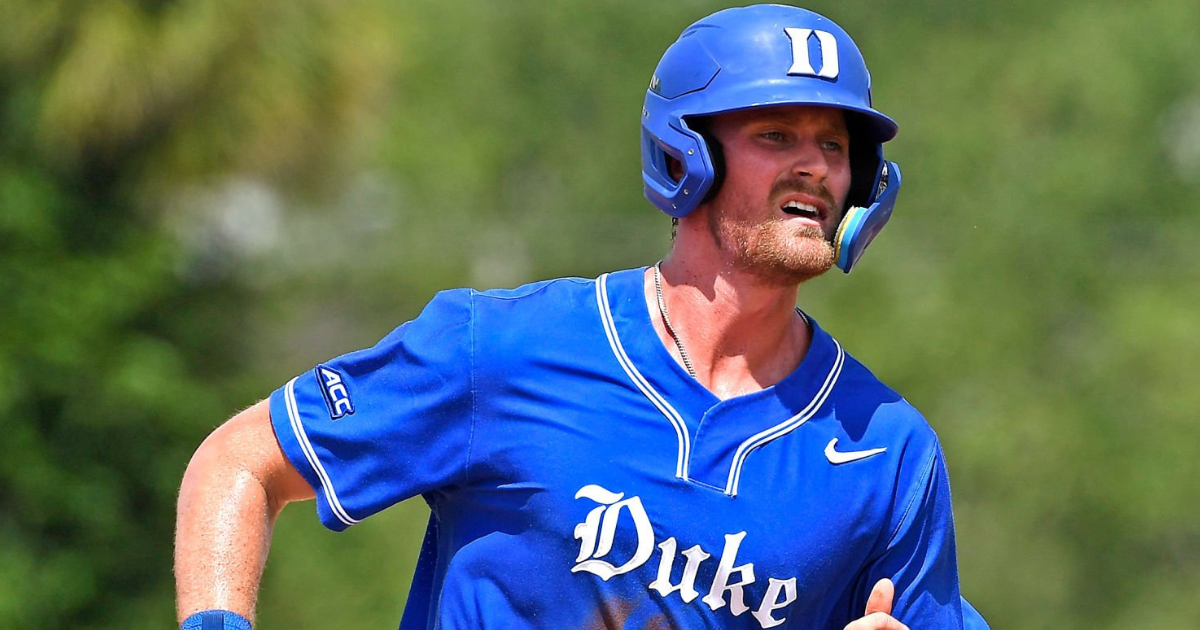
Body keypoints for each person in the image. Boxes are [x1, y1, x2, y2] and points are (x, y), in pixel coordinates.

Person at [175, 5, 989, 629]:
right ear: (686, 156)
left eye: (836, 145)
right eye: (777, 133)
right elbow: (238, 466)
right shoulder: (503, 349)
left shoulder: (886, 448)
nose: (815, 163)